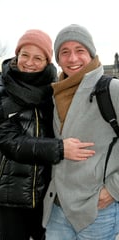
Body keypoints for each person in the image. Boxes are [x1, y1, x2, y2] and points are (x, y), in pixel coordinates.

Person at [42, 24, 119, 239]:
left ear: (91, 53)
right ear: (57, 58)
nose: (72, 58)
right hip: (57, 207)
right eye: (64, 52)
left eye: (80, 50)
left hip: (97, 210)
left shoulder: (111, 89)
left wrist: (113, 191)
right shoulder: (55, 92)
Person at [0, 29, 68, 240]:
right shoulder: (0, 90)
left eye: (38, 57)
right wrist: (59, 149)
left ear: (47, 61)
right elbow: (7, 140)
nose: (30, 62)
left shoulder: (56, 91)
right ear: (17, 55)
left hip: (47, 194)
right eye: (25, 55)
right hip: (9, 193)